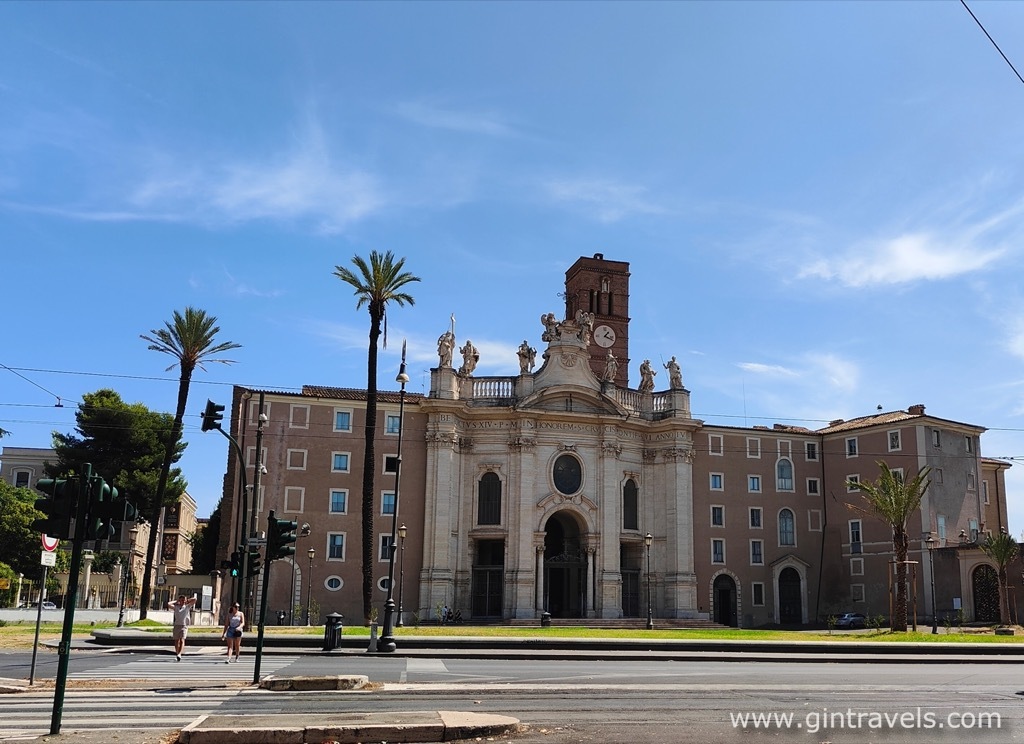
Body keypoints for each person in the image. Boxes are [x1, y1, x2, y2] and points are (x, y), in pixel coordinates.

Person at [167, 593, 197, 661]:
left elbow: (195, 599)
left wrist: (187, 600)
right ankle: (177, 653)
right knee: (176, 640)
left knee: (182, 639)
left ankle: (180, 653)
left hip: (184, 625)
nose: (182, 601)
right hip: (177, 625)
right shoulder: (176, 607)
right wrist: (176, 601)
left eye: (183, 600)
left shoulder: (187, 606)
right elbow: (169, 604)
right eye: (181, 600)